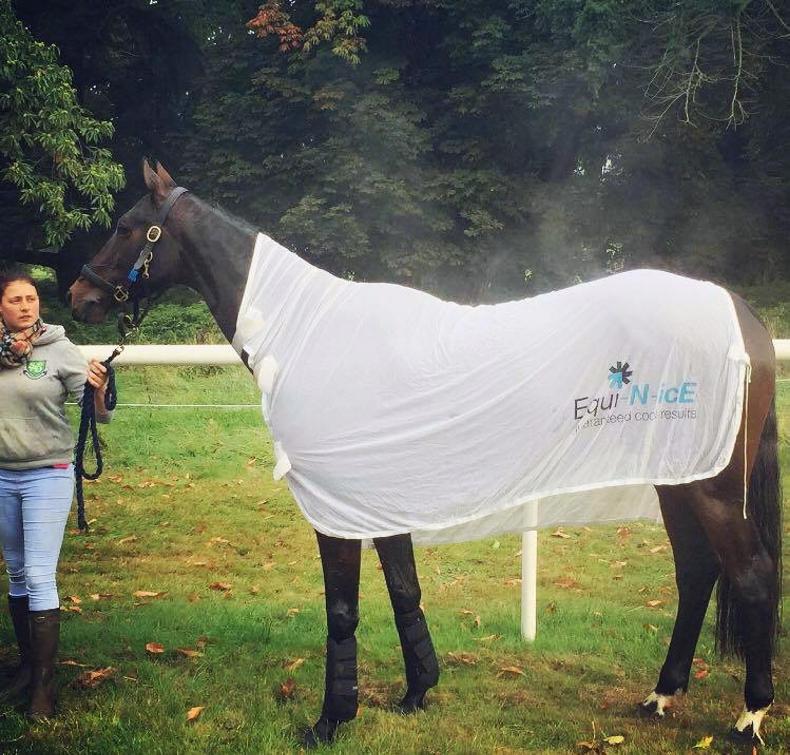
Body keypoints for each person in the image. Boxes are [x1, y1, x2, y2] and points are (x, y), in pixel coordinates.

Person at [0, 267, 111, 719]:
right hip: (2, 475)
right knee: (16, 572)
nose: (26, 306)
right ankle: (27, 669)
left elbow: (98, 413)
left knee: (40, 575)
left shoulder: (59, 348)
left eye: (31, 298)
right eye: (16, 300)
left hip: (48, 474)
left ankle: (44, 689)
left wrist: (100, 390)